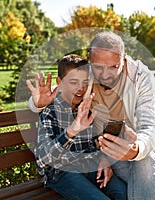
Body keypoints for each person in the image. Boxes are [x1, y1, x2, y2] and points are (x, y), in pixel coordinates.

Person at [27, 32, 155, 200]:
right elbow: (63, 85)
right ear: (90, 63)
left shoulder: (141, 76)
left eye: (113, 67)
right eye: (98, 67)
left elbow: (149, 125)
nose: (104, 74)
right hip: (105, 151)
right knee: (127, 188)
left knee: (144, 164)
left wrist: (136, 148)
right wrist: (38, 103)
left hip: (146, 142)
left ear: (123, 60)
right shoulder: (84, 78)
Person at [31, 54, 127, 200]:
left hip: (88, 165)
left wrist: (103, 160)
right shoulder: (50, 110)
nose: (81, 88)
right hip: (62, 172)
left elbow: (92, 143)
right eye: (74, 82)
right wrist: (71, 131)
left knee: (123, 193)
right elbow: (44, 161)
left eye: (85, 82)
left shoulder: (84, 109)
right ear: (60, 82)